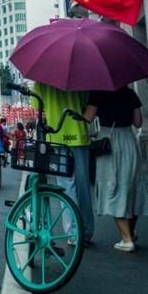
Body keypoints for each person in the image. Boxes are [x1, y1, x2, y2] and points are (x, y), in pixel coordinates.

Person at [84, 86, 148, 252]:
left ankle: (127, 239)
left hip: (110, 142)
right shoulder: (131, 94)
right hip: (129, 140)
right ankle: (129, 232)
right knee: (133, 187)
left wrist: (83, 109)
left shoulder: (98, 92)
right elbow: (138, 123)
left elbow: (88, 118)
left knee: (113, 187)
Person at [35, 81, 94, 246]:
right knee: (83, 185)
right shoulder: (81, 77)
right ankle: (87, 231)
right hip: (79, 136)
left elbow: (38, 106)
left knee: (66, 186)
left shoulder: (42, 80)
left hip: (58, 138)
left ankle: (73, 233)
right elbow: (84, 106)